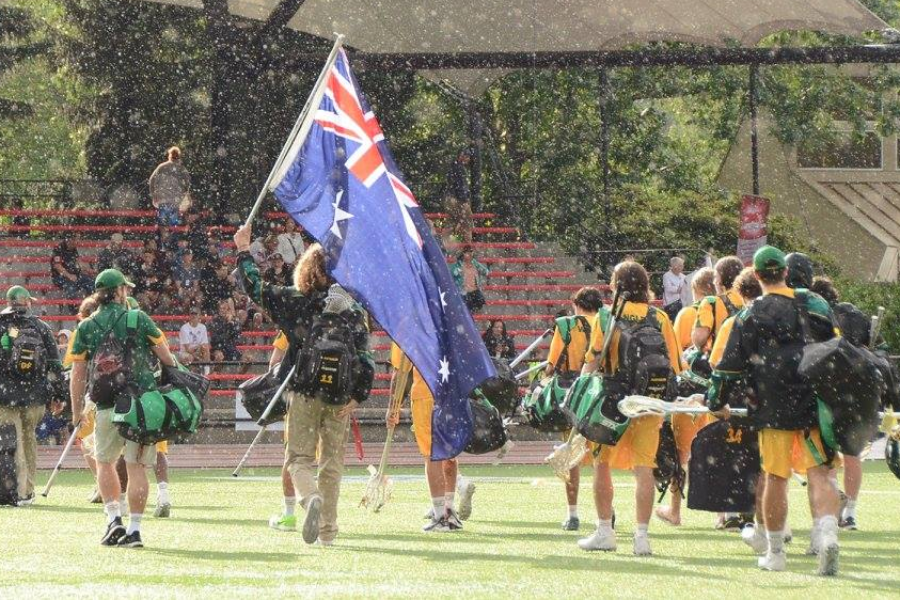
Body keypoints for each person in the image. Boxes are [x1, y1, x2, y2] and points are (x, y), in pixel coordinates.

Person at [234, 223, 373, 546]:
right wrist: (359, 396)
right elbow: (365, 355)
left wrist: (243, 251)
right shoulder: (353, 310)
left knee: (298, 458)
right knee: (332, 464)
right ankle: (328, 533)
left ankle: (309, 498)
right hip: (340, 395)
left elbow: (256, 288)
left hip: (304, 390)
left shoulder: (294, 301)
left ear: (307, 268)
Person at [706, 246, 841, 575]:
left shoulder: (749, 314)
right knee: (820, 473)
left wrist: (716, 402)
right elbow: (837, 348)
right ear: (784, 272)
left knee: (776, 476)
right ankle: (826, 535)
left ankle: (776, 552)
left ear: (758, 276)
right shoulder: (815, 303)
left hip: (771, 404)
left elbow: (728, 369)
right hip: (814, 399)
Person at [577, 262, 682, 556]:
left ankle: (604, 531)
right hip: (650, 401)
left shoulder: (607, 316)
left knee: (601, 465)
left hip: (613, 401)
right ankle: (642, 537)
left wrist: (581, 389)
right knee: (644, 468)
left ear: (615, 285)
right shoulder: (659, 316)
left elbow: (593, 359)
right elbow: (673, 365)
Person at [68, 269, 177, 548]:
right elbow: (166, 357)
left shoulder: (86, 326)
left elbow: (78, 374)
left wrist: (76, 411)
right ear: (119, 292)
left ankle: (113, 520)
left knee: (104, 463)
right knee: (137, 466)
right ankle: (135, 530)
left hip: (105, 404)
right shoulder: (138, 318)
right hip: (140, 404)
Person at [655, 266, 715, 527]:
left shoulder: (689, 313)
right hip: (723, 387)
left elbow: (678, 355)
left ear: (695, 289)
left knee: (682, 452)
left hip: (692, 392)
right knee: (724, 448)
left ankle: (675, 510)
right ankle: (727, 513)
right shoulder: (737, 309)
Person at [543, 287, 605, 531]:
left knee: (571, 456)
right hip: (600, 395)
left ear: (577, 305)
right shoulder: (607, 323)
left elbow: (552, 364)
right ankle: (607, 513)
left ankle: (573, 514)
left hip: (573, 394)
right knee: (601, 458)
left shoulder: (567, 325)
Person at [809, 275, 867, 532]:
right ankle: (850, 511)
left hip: (830, 392)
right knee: (852, 454)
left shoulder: (820, 317)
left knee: (825, 456)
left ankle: (833, 506)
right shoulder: (850, 314)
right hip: (858, 390)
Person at [388, 344, 467, 532]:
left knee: (431, 455)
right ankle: (449, 508)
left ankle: (440, 515)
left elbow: (400, 373)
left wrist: (393, 407)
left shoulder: (408, 326)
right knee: (449, 452)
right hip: (452, 395)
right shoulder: (446, 320)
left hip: (425, 396)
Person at [0, 286, 65, 505]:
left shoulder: (1, 325)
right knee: (28, 441)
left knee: (10, 442)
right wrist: (59, 395)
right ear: (28, 303)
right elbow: (55, 364)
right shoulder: (41, 327)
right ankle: (26, 492)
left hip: (4, 396)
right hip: (35, 396)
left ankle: (10, 490)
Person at [691, 255, 745, 353]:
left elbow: (699, 338)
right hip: (751, 361)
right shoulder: (751, 299)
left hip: (722, 361)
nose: (714, 281)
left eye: (715, 277)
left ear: (720, 279)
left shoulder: (711, 302)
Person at [149, 146, 190, 226]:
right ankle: (171, 236)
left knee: (163, 225)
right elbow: (187, 184)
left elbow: (151, 181)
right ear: (179, 156)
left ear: (169, 155)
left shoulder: (161, 167)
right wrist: (182, 196)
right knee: (173, 225)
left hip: (163, 199)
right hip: (175, 200)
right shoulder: (181, 169)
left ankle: (163, 237)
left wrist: (154, 195)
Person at [443, 149, 474, 246]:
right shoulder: (460, 169)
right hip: (457, 199)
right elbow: (461, 187)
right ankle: (467, 250)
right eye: (467, 156)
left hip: (449, 199)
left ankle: (443, 247)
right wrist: (465, 201)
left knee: (451, 223)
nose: (468, 159)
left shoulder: (452, 166)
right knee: (467, 223)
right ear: (462, 155)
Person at [449, 245, 490, 313]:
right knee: (467, 307)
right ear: (463, 254)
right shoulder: (458, 265)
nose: (469, 254)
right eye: (467, 252)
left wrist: (479, 269)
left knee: (480, 302)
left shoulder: (474, 263)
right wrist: (459, 271)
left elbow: (486, 272)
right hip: (464, 291)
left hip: (474, 290)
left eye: (471, 252)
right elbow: (453, 273)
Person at [662, 256, 686, 322]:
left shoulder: (684, 277)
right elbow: (669, 289)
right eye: (680, 265)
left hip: (682, 304)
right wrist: (679, 289)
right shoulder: (666, 275)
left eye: (682, 265)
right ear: (674, 266)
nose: (682, 267)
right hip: (671, 304)